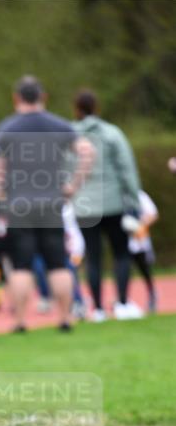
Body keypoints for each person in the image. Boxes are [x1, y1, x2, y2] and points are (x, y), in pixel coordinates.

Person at [0, 75, 92, 333]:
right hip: (52, 204)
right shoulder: (60, 126)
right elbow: (87, 152)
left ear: (16, 98)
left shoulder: (7, 128)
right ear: (43, 97)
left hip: (18, 206)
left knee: (21, 265)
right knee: (58, 263)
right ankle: (65, 319)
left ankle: (20, 321)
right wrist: (73, 186)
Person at [72, 89, 143, 321]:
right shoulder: (112, 133)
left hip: (83, 206)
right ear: (97, 107)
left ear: (76, 109)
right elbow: (127, 169)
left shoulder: (69, 136)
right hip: (113, 204)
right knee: (121, 253)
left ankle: (99, 309)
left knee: (93, 257)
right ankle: (122, 304)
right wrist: (134, 199)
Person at [127, 190, 159, 313]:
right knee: (124, 270)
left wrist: (138, 226)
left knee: (145, 270)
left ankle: (152, 294)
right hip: (122, 243)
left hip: (140, 243)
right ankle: (123, 300)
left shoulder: (140, 195)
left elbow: (153, 214)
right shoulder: (114, 195)